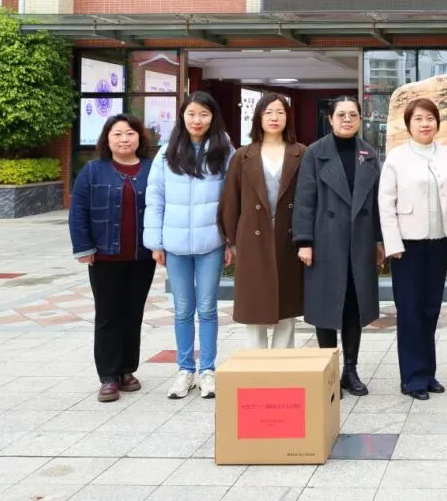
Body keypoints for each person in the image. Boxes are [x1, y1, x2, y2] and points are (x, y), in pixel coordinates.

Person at [144, 91, 233, 400]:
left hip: (211, 244)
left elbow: (231, 200)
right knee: (183, 310)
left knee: (207, 308)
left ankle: (207, 370)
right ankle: (185, 370)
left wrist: (230, 240)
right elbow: (155, 198)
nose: (197, 120)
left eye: (204, 114)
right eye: (192, 114)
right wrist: (155, 242)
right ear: (182, 116)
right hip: (175, 245)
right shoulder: (167, 152)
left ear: (213, 117)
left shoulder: (224, 151)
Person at [293, 96, 384, 397]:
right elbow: (305, 200)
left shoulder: (368, 153)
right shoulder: (315, 153)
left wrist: (378, 240)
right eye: (341, 115)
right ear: (330, 119)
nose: (347, 120)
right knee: (326, 306)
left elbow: (376, 202)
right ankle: (329, 372)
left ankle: (350, 370)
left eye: (353, 115)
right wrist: (304, 241)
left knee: (354, 306)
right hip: (325, 241)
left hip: (360, 241)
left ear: (360, 119)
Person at [378, 98, 447, 400]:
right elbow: (385, 203)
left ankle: (428, 374)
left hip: (439, 241)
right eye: (418, 119)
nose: (425, 124)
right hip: (407, 245)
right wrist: (393, 244)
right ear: (408, 125)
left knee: (431, 309)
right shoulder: (397, 157)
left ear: (437, 122)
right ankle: (412, 378)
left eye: (430, 118)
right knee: (410, 310)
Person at [69, 113, 155, 403]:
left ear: (139, 138)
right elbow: (78, 211)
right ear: (107, 139)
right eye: (117, 134)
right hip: (104, 257)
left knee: (133, 313)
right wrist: (84, 247)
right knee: (108, 314)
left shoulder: (151, 169)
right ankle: (108, 376)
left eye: (130, 133)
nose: (124, 139)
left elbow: (161, 208)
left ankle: (127, 370)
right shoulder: (93, 170)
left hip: (142, 256)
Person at [218, 93, 306, 349]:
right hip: (252, 238)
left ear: (288, 117)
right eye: (268, 112)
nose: (274, 117)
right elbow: (231, 199)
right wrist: (231, 240)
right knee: (253, 306)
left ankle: (282, 361)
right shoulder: (242, 155)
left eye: (280, 112)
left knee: (287, 305)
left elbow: (310, 199)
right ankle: (256, 362)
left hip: (289, 237)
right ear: (258, 117)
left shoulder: (301, 153)